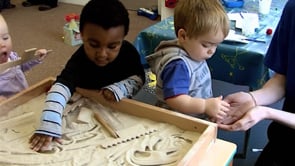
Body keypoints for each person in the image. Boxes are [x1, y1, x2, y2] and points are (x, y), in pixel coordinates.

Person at [29, 0, 145, 151]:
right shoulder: (79, 60)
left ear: (123, 37)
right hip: (84, 100)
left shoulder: (129, 53)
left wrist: (119, 88)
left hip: (120, 106)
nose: (102, 54)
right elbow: (60, 86)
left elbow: (140, 78)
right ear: (82, 35)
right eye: (94, 45)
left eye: (112, 46)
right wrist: (49, 123)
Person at [218, 0, 295, 165]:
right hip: (284, 138)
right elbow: (283, 78)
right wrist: (253, 99)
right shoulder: (293, 9)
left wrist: (268, 112)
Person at [145, 0, 230, 120]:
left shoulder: (193, 51)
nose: (212, 51)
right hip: (176, 122)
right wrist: (205, 105)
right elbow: (175, 99)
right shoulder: (178, 65)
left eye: (216, 45)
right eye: (206, 45)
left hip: (193, 116)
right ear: (183, 36)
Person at [0, 14, 49, 102]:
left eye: (5, 38)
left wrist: (35, 58)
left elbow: (21, 66)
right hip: (7, 108)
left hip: (24, 95)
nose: (2, 44)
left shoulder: (12, 56)